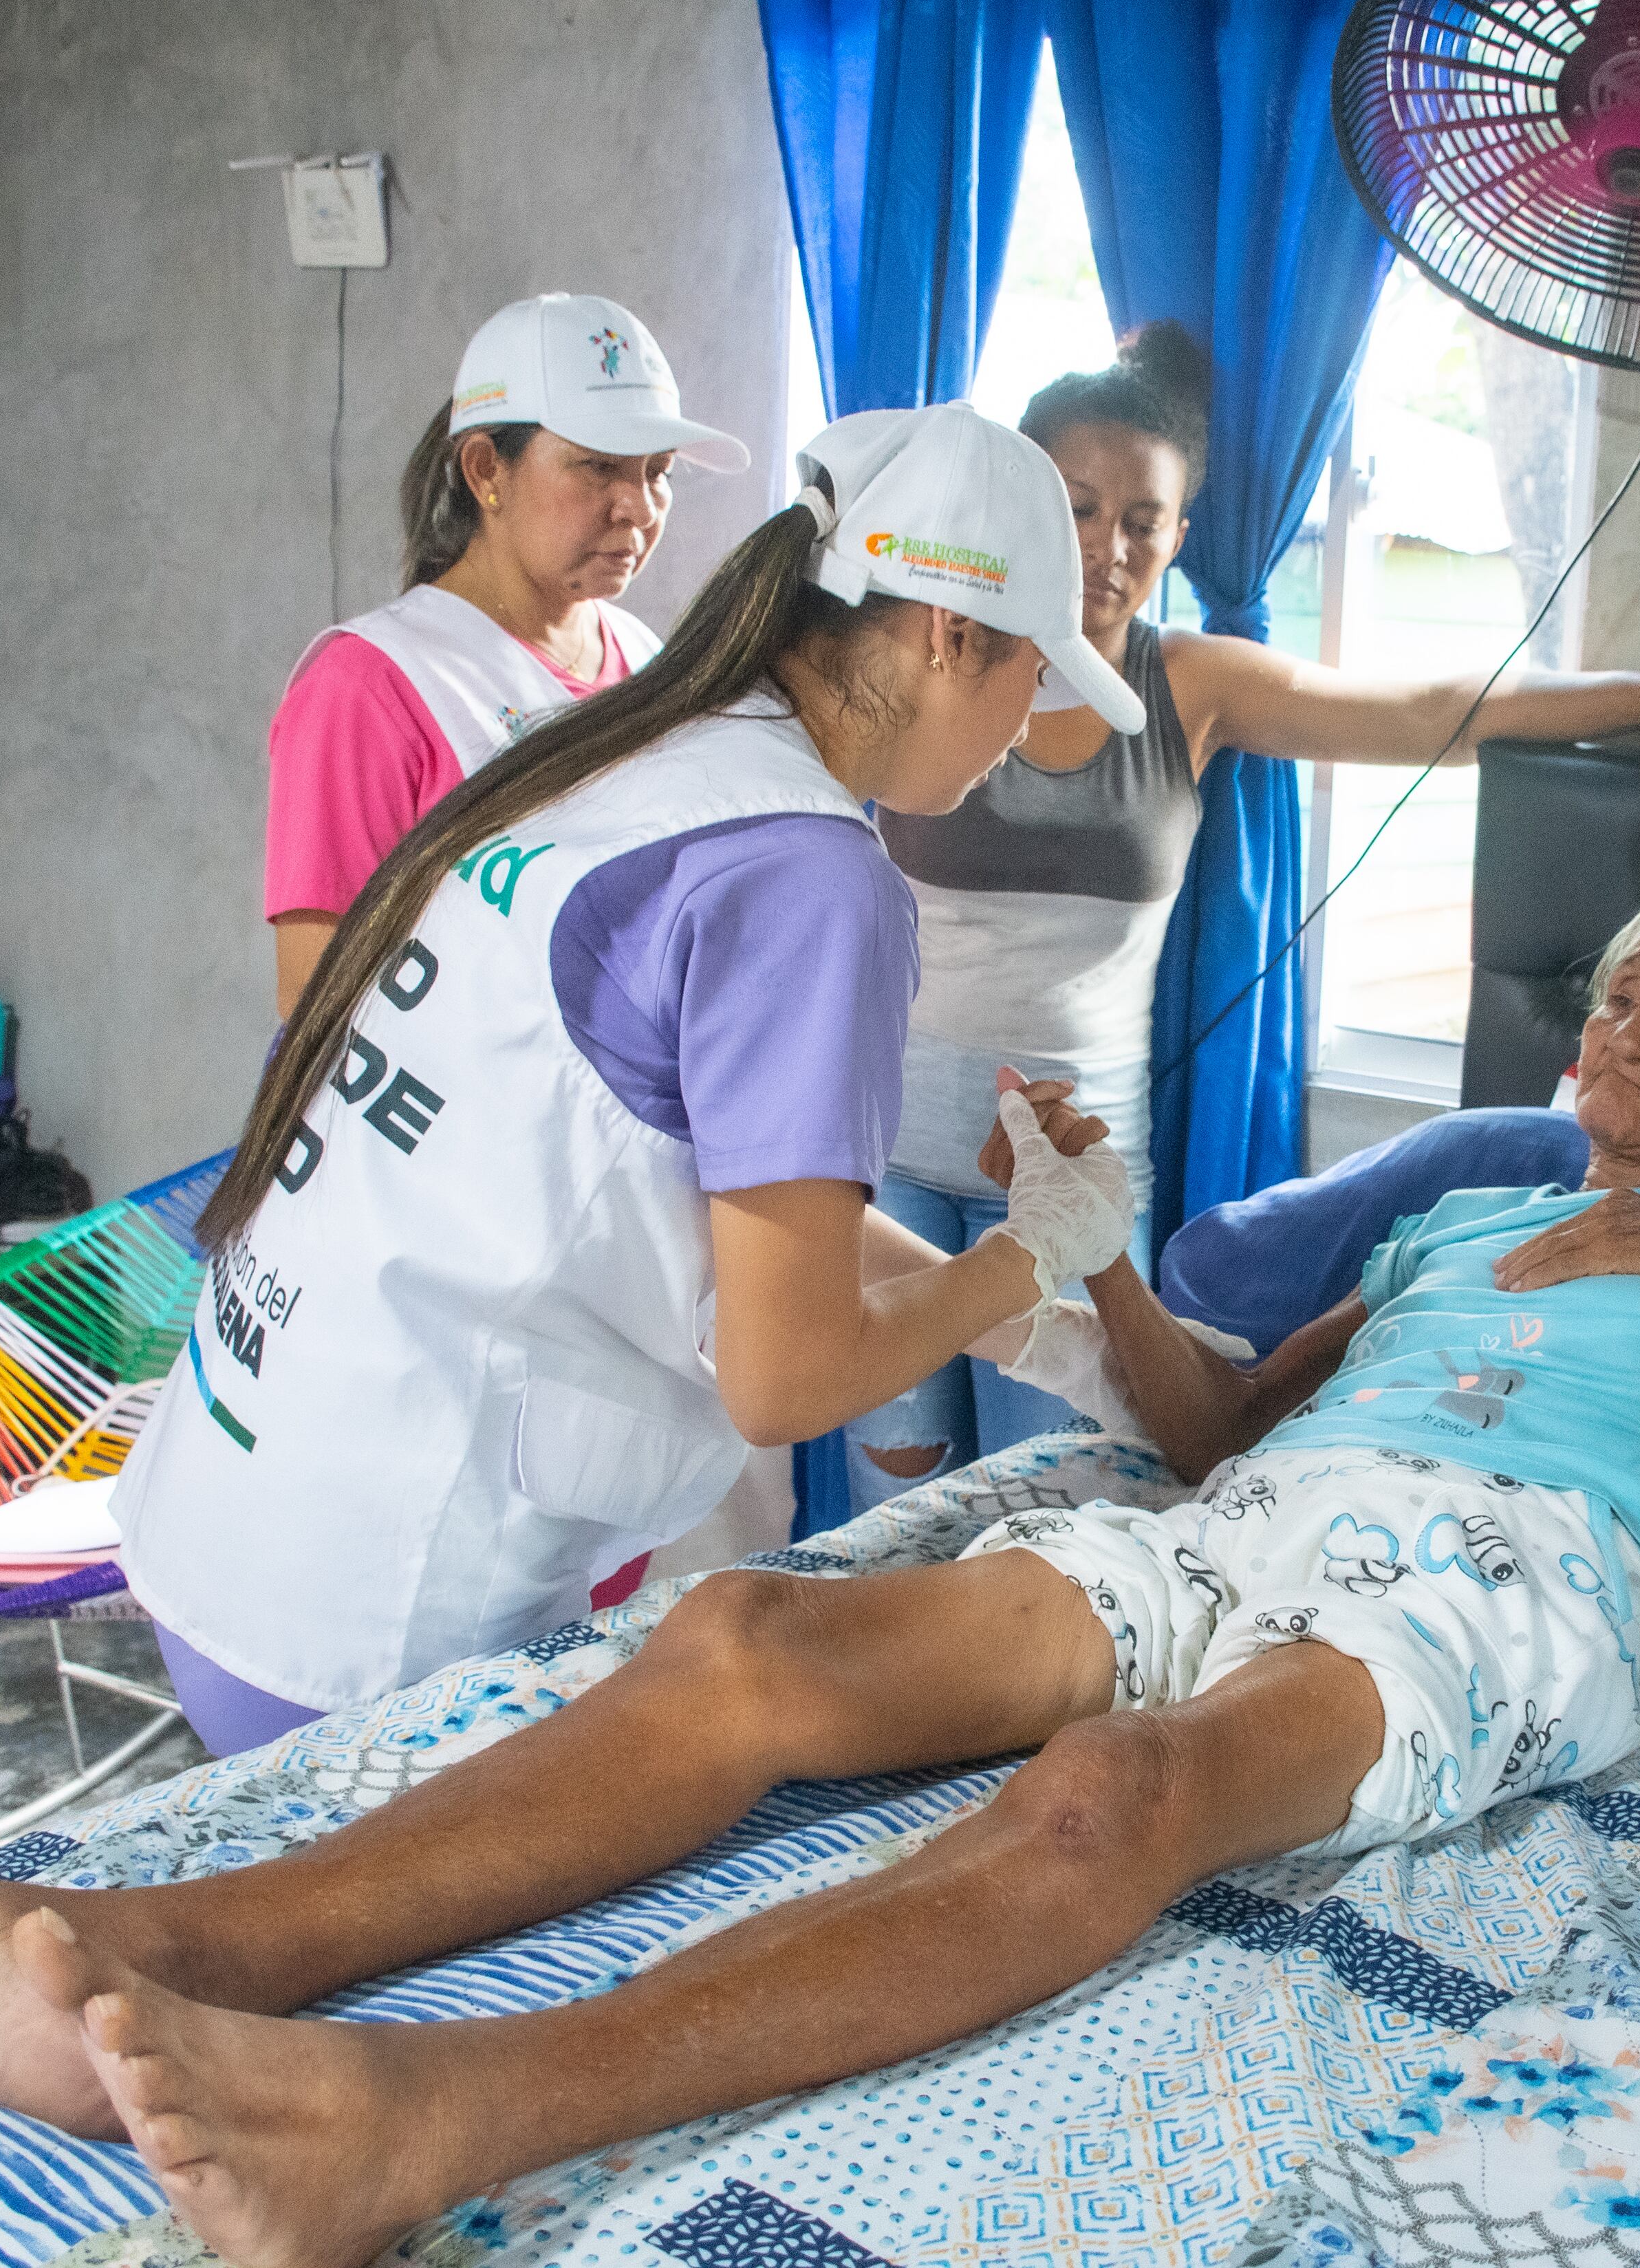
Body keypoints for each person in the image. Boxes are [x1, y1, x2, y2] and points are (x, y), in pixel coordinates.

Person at [0, 883, 1640, 2268]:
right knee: (751, 1632)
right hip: (1282, 1513)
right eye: (1622, 998)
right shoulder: (1451, 1219)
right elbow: (1225, 1434)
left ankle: (433, 2114)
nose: (1627, 1036)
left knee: (1113, 1795)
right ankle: (104, 1946)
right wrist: (1086, 1247)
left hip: (1523, 1579)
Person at [117, 399, 1158, 1754]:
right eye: (1035, 674)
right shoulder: (808, 879)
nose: (1029, 723)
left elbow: (706, 1181)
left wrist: (1035, 1333)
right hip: (382, 1614)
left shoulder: (641, 743)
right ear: (947, 635)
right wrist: (1026, 1259)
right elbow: (786, 1380)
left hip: (234, 1509)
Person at [848, 321, 1640, 1510]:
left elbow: (1424, 706)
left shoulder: (1192, 685)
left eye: (1144, 519)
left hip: (1067, 1162)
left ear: (1182, 528)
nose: (1109, 547)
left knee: (1048, 1484)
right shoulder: (924, 651)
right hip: (886, 1141)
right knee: (895, 1485)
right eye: (1075, 507)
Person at [264, 294, 748, 1019]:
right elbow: (315, 995)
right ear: (487, 469)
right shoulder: (371, 684)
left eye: (657, 470)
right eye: (598, 467)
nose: (639, 507)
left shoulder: (649, 662)